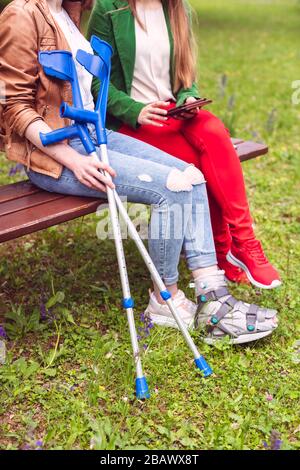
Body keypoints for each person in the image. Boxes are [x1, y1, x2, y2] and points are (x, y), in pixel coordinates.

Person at [0, 0, 278, 344]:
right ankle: (166, 300)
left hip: (97, 139)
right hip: (57, 157)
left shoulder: (69, 11)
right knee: (172, 186)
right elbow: (12, 107)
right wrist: (74, 162)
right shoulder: (21, 14)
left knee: (191, 175)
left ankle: (213, 295)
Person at [87, 0, 281, 289]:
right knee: (200, 165)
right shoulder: (108, 8)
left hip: (174, 113)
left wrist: (188, 97)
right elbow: (94, 80)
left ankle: (245, 242)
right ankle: (222, 251)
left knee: (214, 130)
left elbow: (185, 77)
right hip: (134, 121)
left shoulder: (179, 9)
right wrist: (133, 109)